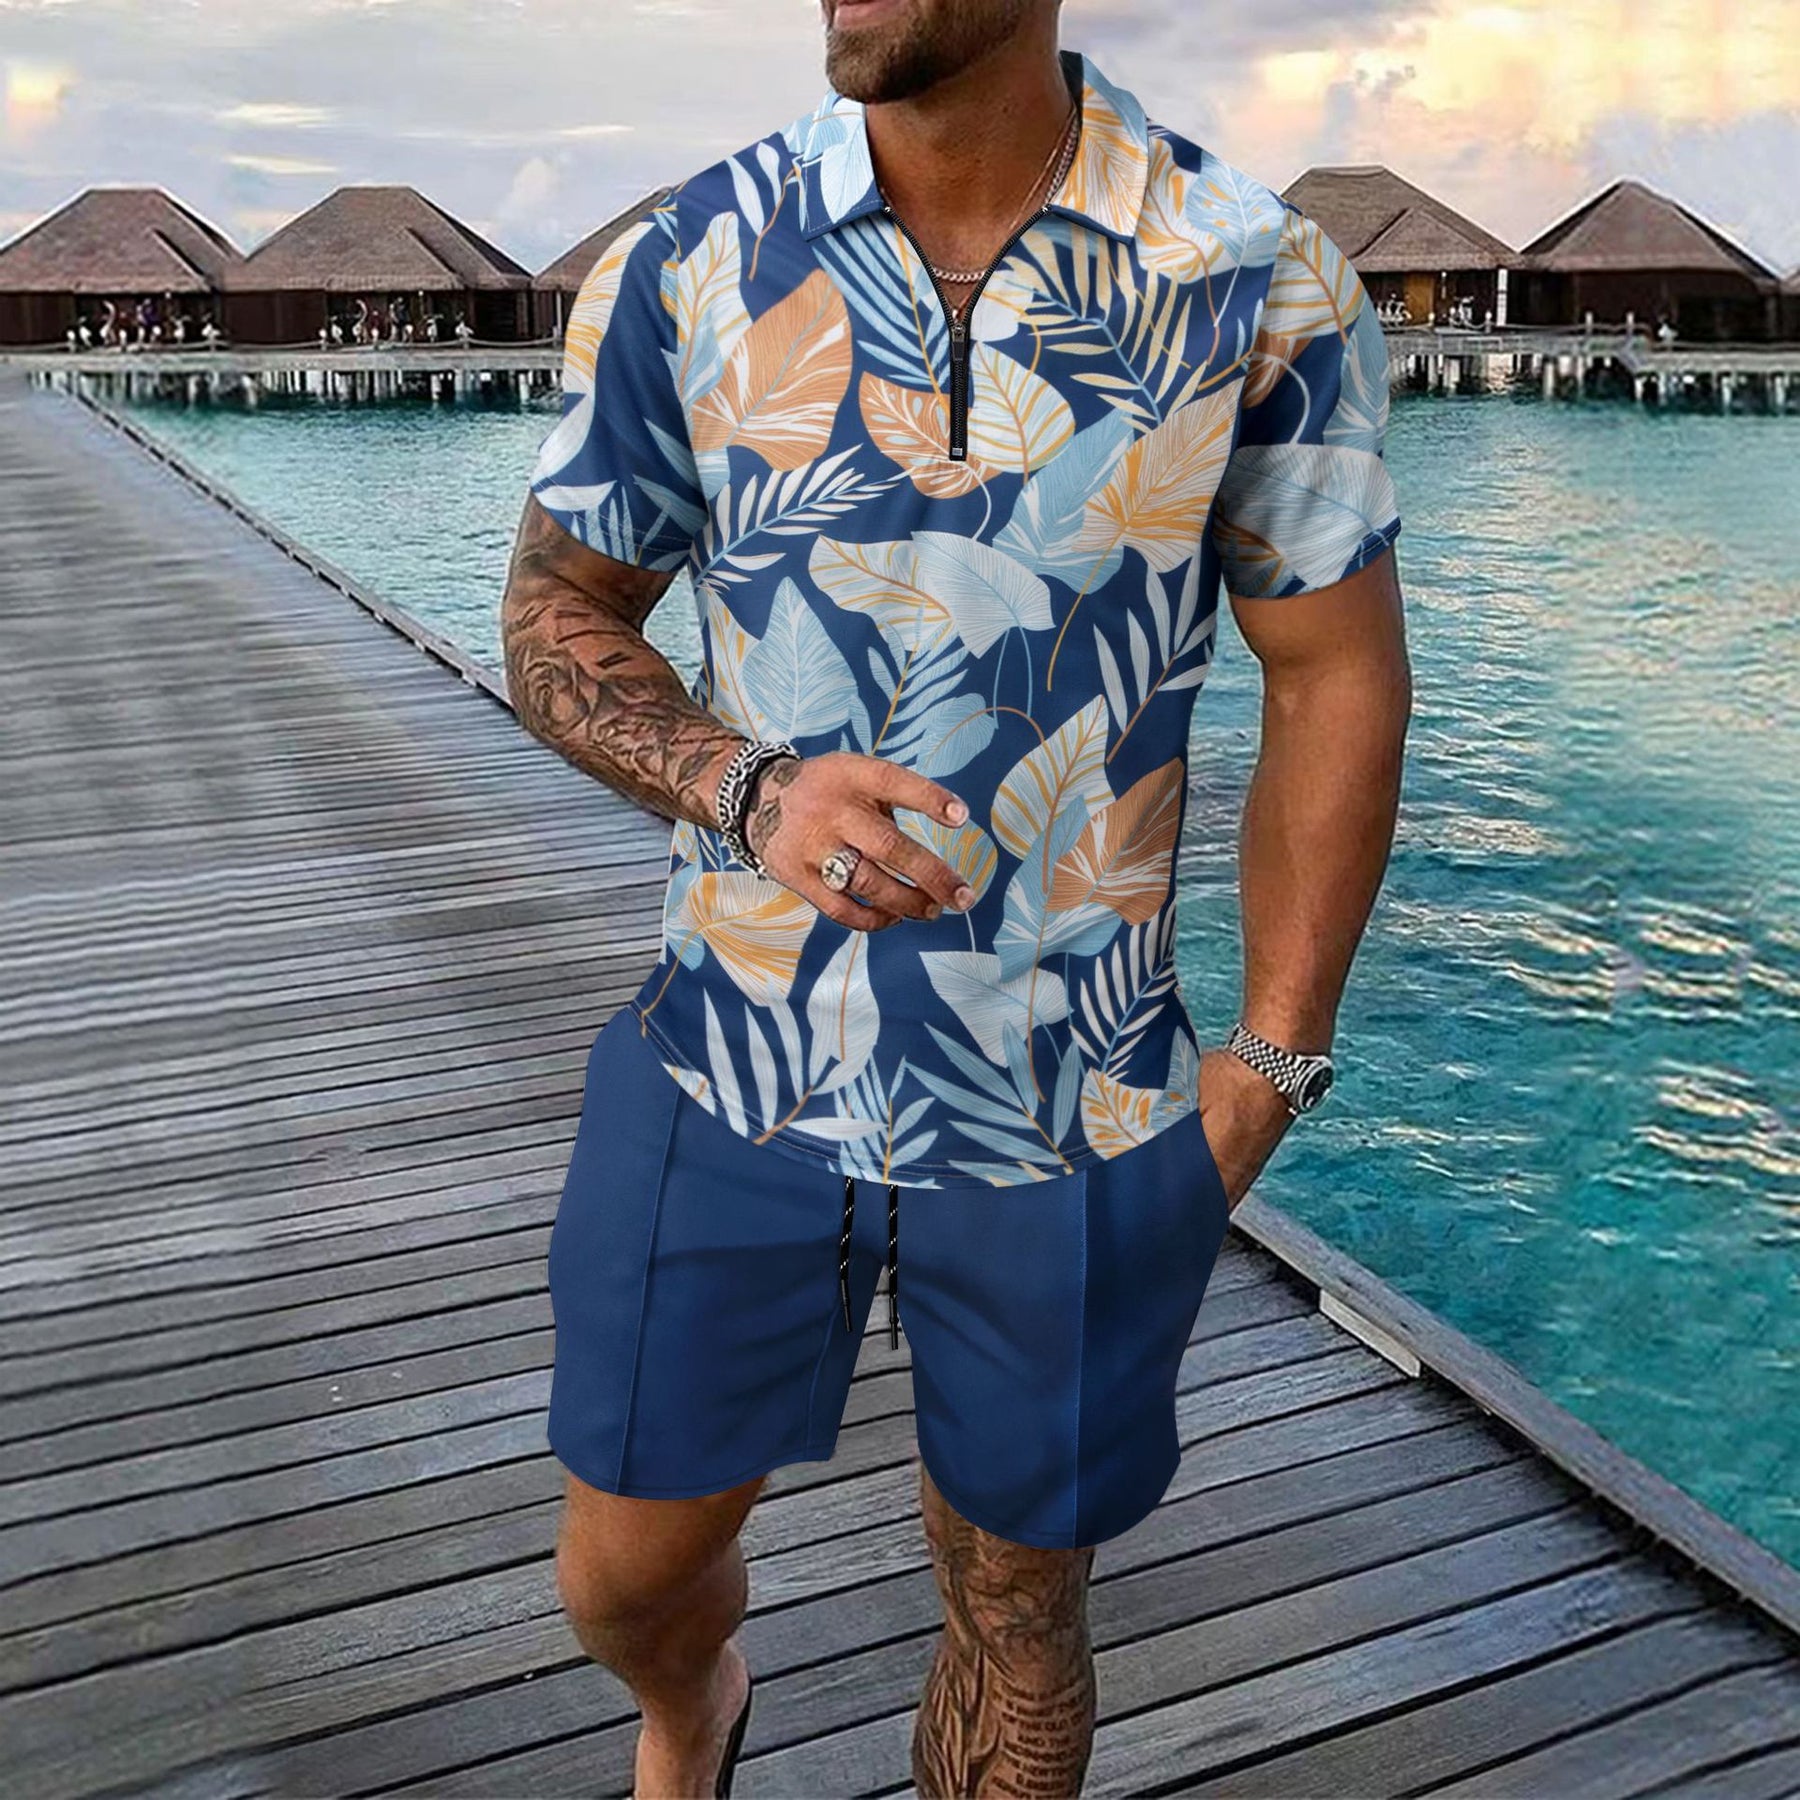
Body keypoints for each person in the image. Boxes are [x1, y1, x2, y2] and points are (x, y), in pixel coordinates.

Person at [502, 1, 1409, 1793]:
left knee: (1018, 1607)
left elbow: (1333, 671)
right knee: (622, 1577)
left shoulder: (1253, 272)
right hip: (733, 1060)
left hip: (1075, 1102)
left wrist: (1274, 1057)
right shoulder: (695, 253)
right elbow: (554, 611)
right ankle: (693, 1704)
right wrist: (744, 786)